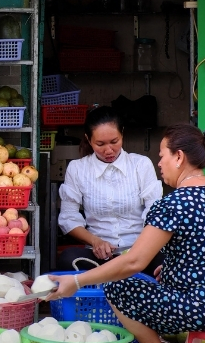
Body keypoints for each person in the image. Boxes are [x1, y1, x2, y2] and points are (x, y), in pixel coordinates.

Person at [47, 124, 205, 343]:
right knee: (186, 284)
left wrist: (76, 281)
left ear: (178, 157)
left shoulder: (173, 203)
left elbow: (134, 261)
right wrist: (176, 266)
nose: (159, 164)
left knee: (118, 287)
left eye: (162, 155)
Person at [56, 107, 164, 276]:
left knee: (165, 262)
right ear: (88, 139)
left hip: (139, 254)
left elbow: (155, 213)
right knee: (68, 258)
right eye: (100, 144)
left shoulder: (141, 165)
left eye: (114, 141)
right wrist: (95, 242)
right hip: (99, 258)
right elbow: (68, 218)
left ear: (122, 134)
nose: (108, 150)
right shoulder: (77, 169)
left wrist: (139, 249)